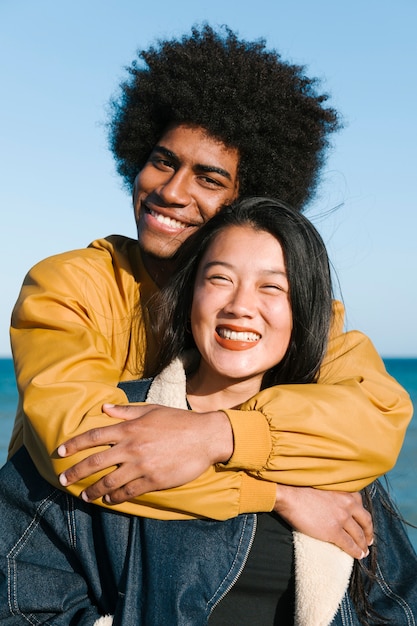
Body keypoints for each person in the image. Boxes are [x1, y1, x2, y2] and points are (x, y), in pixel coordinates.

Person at [8, 25, 411, 546]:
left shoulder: (283, 310)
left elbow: (375, 416)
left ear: (249, 200)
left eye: (209, 179)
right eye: (162, 162)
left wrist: (216, 435)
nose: (171, 191)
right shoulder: (68, 285)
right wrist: (277, 496)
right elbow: (84, 452)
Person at [2, 199, 416, 625]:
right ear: (191, 293)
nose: (240, 305)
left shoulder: (336, 445)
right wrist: (277, 495)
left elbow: (396, 605)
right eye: (219, 279)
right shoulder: (114, 424)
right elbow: (18, 599)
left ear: (304, 310)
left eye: (272, 287)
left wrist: (218, 437)